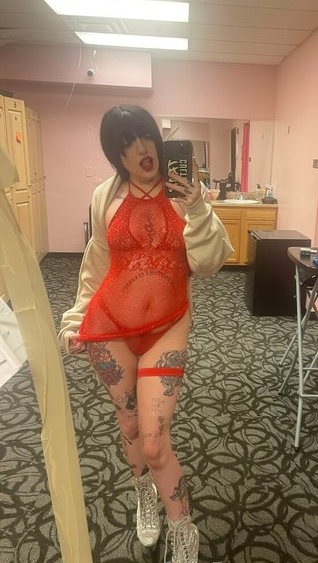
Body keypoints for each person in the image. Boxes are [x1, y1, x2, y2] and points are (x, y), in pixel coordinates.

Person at [58, 104, 233, 562]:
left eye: (145, 137)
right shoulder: (105, 196)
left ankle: (183, 528)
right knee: (130, 425)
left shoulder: (185, 194)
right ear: (116, 155)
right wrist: (76, 318)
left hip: (167, 327)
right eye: (126, 145)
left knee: (155, 441)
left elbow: (210, 263)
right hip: (110, 326)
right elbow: (97, 263)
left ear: (158, 138)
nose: (140, 150)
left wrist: (198, 208)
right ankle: (144, 495)